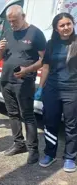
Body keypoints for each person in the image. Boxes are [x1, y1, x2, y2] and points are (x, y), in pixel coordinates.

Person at [0, 5, 46, 164]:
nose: (12, 24)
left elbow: (44, 60)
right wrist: (0, 50)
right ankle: (19, 144)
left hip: (24, 82)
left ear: (23, 16)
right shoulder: (8, 32)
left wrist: (27, 70)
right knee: (12, 114)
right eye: (9, 21)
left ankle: (33, 150)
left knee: (28, 116)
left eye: (14, 21)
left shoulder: (36, 33)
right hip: (6, 80)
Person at [34, 13, 77, 172]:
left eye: (68, 24)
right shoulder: (51, 44)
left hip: (72, 90)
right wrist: (40, 88)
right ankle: (50, 154)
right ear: (56, 28)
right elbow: (46, 67)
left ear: (73, 24)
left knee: (71, 125)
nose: (66, 27)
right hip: (51, 90)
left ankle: (70, 157)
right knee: (50, 122)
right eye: (62, 25)